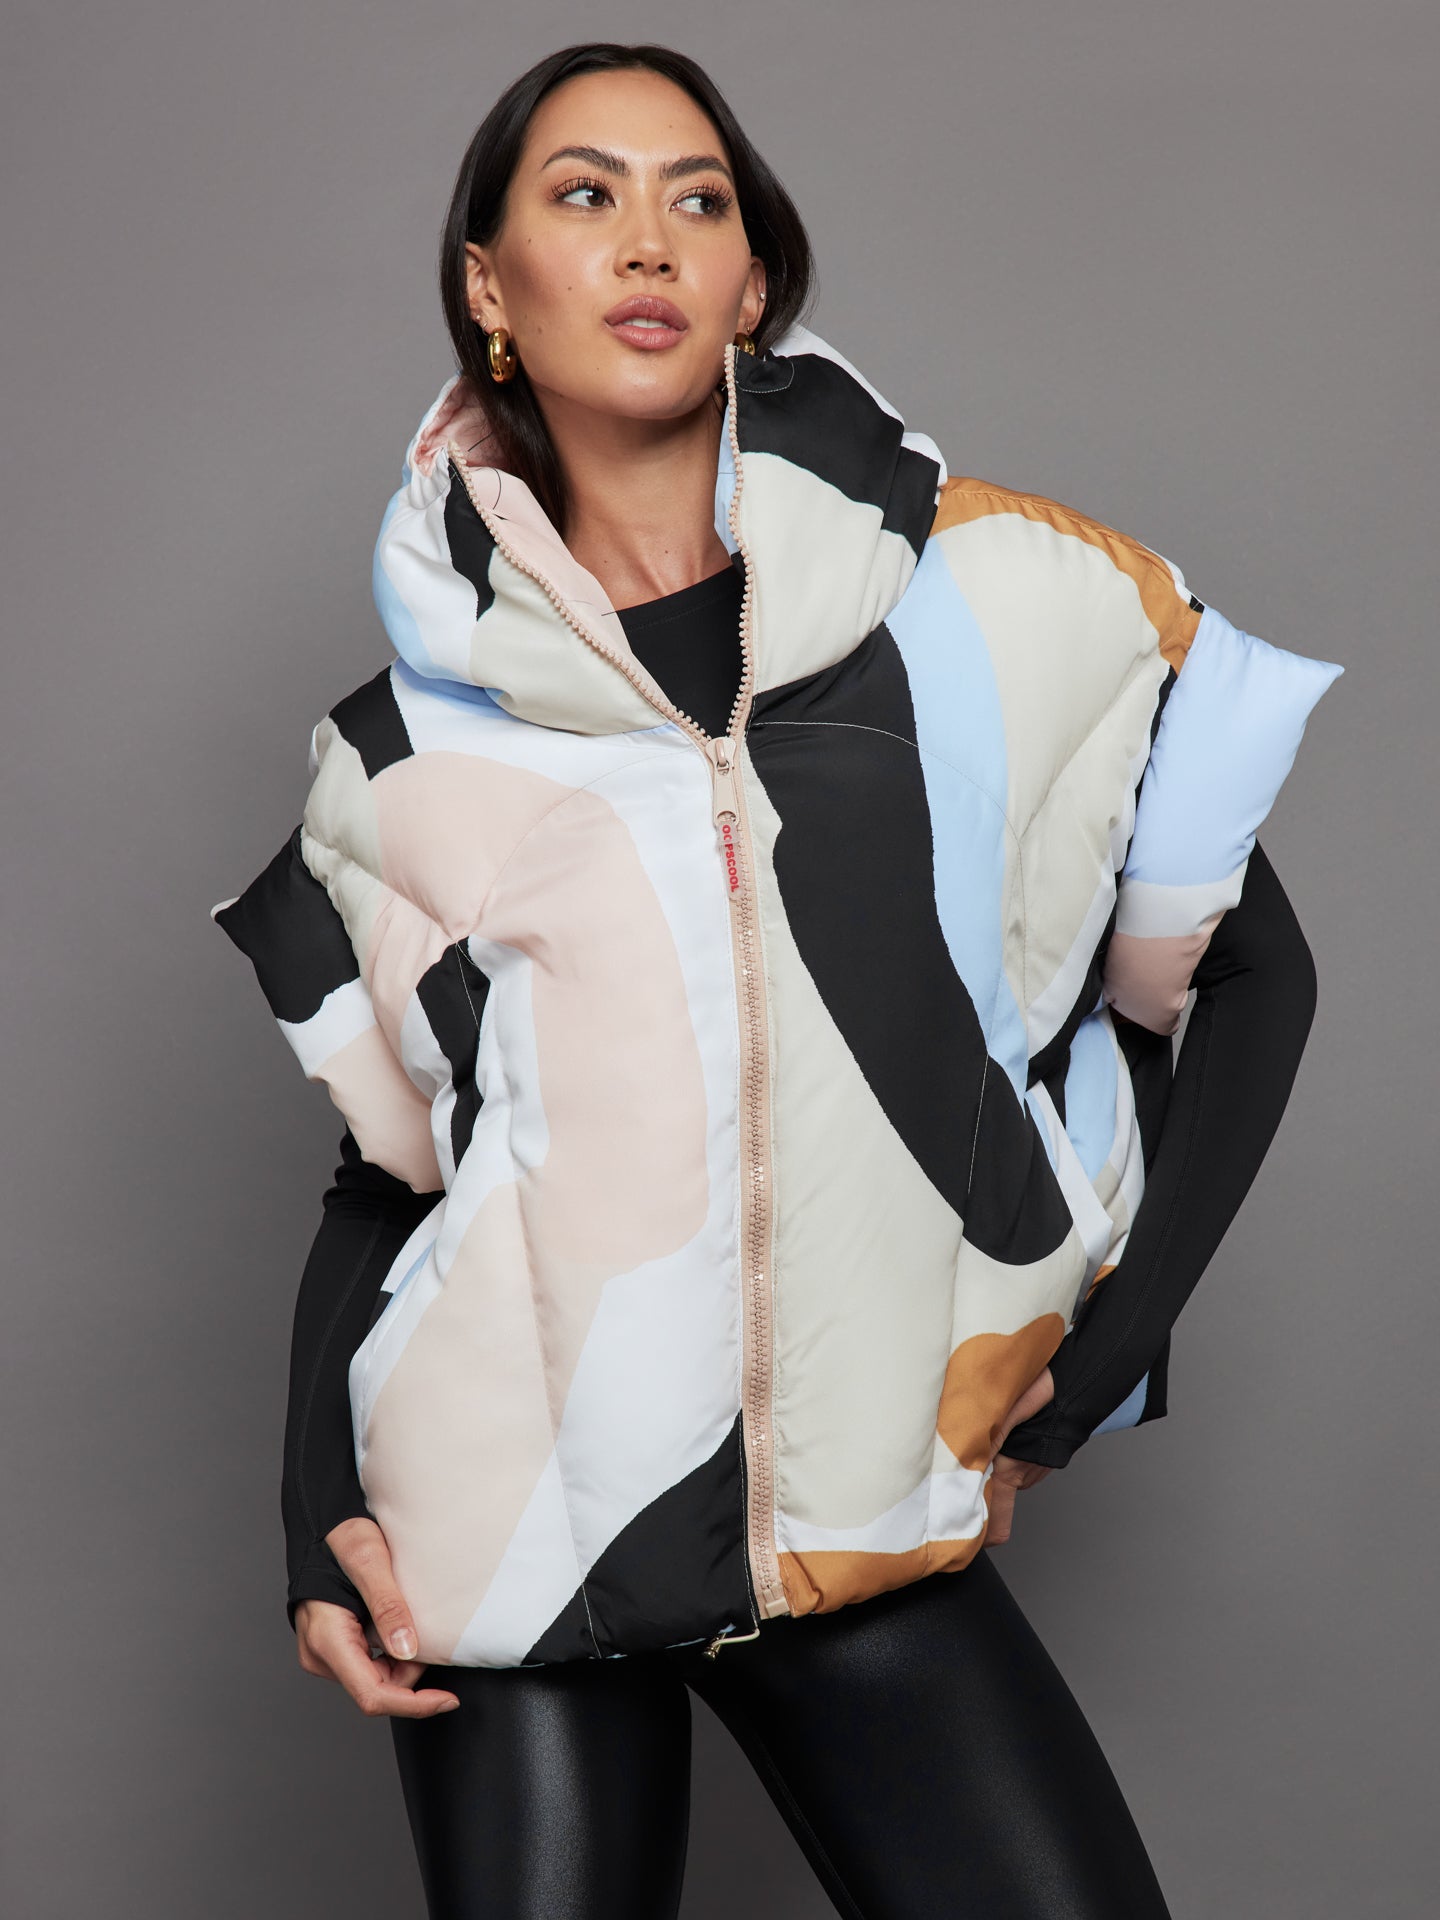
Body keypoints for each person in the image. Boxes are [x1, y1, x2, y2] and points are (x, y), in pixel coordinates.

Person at [213, 40, 1341, 1920]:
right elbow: (399, 1179)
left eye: (699, 198)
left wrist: (1083, 1380)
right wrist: (311, 1531)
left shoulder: (993, 603)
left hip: (868, 1518)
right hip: (513, 1538)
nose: (647, 239)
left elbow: (1253, 976)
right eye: (585, 194)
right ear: (492, 287)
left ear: (751, 284)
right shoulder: (402, 754)